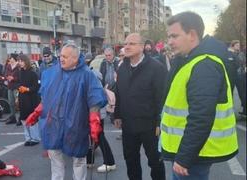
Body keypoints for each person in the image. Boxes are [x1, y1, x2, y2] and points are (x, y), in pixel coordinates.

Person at [161, 11, 238, 180]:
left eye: (174, 36)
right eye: (169, 37)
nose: (169, 42)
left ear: (192, 34)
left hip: (193, 156)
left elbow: (201, 116)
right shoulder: (190, 60)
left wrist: (184, 158)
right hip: (191, 151)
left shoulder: (204, 64)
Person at [25, 43, 107, 180]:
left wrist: (94, 120)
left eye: (65, 56)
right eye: (60, 56)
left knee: (79, 158)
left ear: (75, 58)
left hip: (76, 123)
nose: (61, 59)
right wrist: (37, 112)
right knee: (55, 157)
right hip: (54, 123)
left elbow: (94, 98)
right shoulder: (53, 73)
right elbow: (47, 97)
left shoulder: (87, 75)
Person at [114, 33, 166, 180]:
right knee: (131, 161)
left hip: (149, 126)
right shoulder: (122, 67)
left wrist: (159, 122)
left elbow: (161, 98)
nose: (127, 46)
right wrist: (117, 114)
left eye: (132, 43)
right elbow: (119, 92)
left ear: (142, 47)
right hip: (129, 125)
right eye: (125, 44)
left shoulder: (156, 68)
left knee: (155, 162)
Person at [18, 54, 41, 146]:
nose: (20, 63)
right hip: (22, 98)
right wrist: (19, 89)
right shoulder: (20, 72)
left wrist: (27, 89)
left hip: (31, 99)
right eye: (19, 61)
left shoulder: (33, 72)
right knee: (23, 119)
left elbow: (36, 86)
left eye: (21, 61)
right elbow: (18, 83)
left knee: (32, 118)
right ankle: (28, 138)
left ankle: (35, 138)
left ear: (25, 61)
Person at [4, 53, 21, 125]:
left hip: (16, 87)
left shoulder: (18, 66)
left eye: (11, 58)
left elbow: (20, 76)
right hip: (10, 86)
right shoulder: (8, 66)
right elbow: (5, 74)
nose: (10, 60)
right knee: (11, 103)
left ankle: (20, 118)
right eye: (10, 58)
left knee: (18, 103)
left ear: (14, 59)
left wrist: (13, 78)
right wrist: (7, 77)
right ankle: (12, 117)